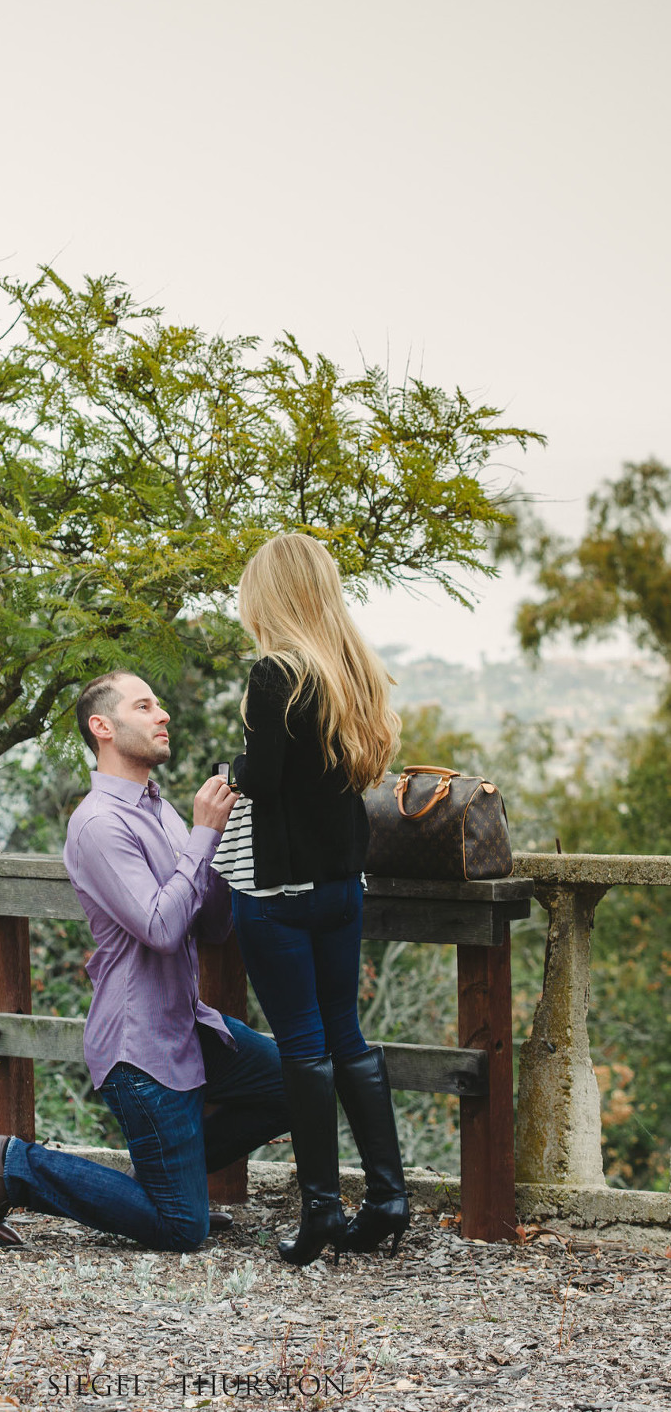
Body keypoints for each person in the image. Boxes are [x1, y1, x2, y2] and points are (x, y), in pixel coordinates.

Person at [0, 670, 289, 1253]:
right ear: (104, 727)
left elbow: (212, 926)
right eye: (145, 706)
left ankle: (173, 1177)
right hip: (140, 1047)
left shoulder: (162, 812)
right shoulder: (98, 823)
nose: (163, 714)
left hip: (187, 1027)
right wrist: (202, 835)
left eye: (159, 702)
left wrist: (220, 838)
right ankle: (12, 1164)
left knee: (296, 1084)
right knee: (181, 1229)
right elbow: (163, 930)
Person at [219, 532, 409, 1265]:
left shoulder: (276, 674)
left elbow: (263, 779)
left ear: (271, 596)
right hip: (340, 885)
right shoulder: (352, 671)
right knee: (347, 1036)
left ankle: (323, 1210)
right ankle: (388, 1198)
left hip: (278, 889)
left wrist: (233, 768)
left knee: (302, 1047)